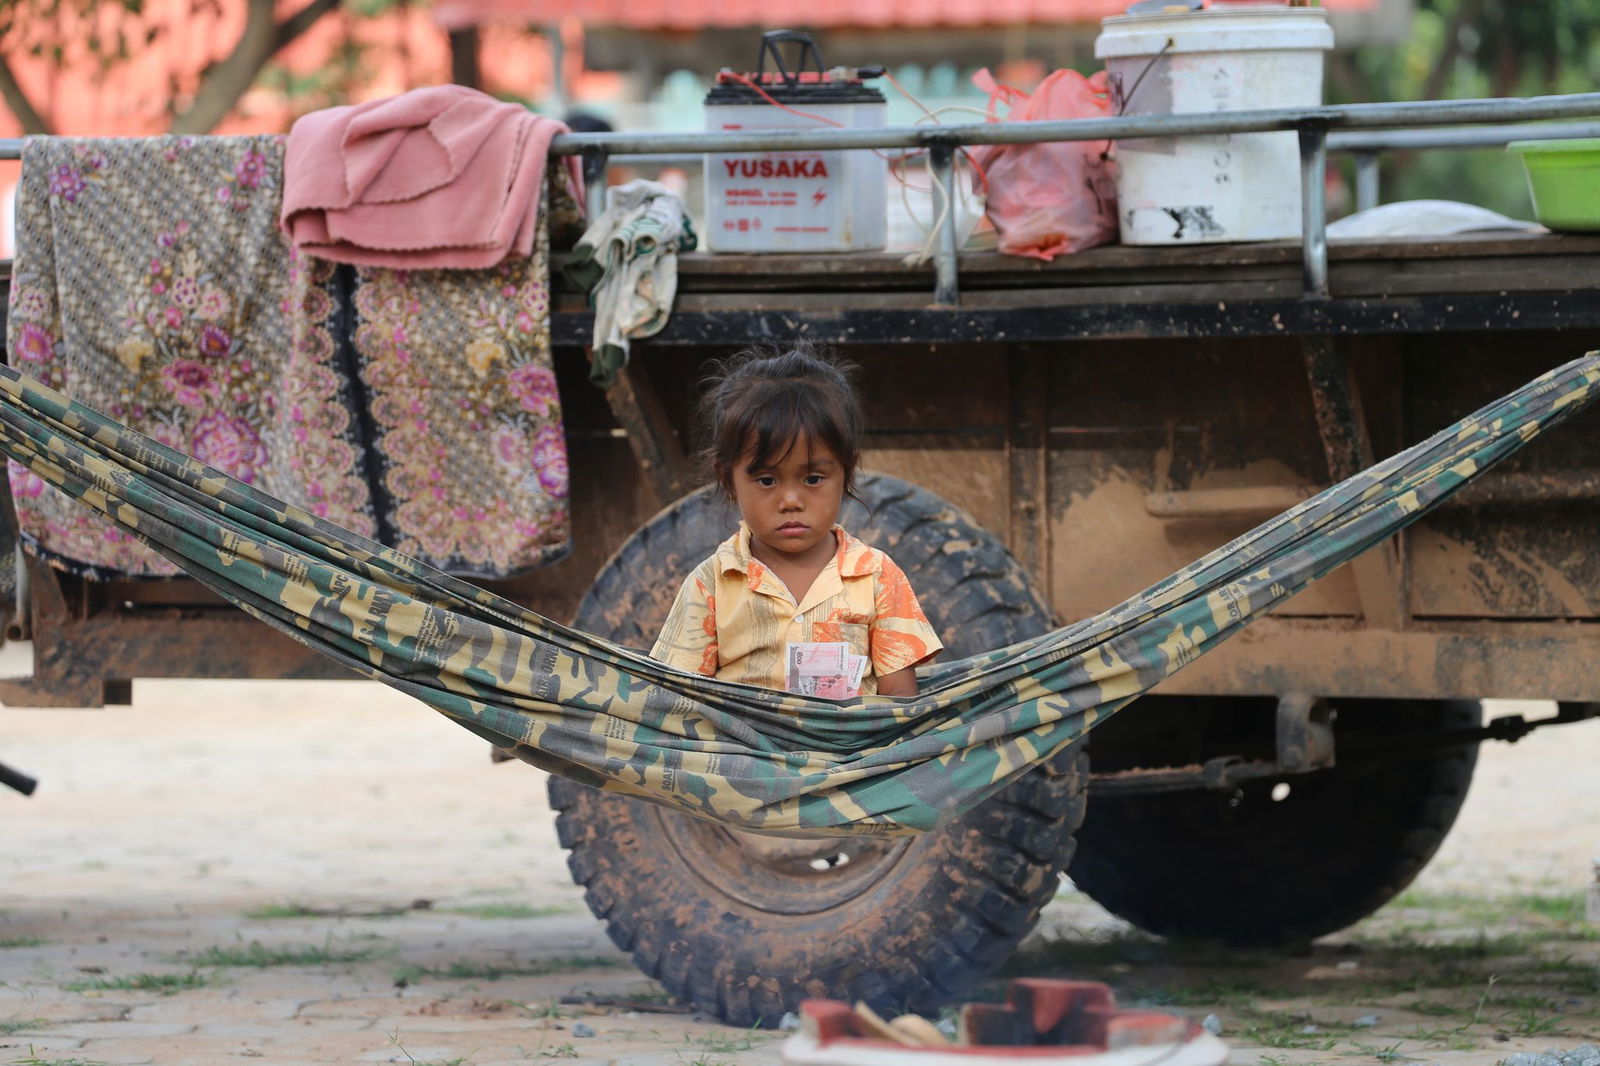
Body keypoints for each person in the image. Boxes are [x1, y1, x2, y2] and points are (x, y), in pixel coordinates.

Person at [651, 345, 943, 698]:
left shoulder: (877, 577)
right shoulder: (711, 584)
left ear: (847, 472)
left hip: (851, 737)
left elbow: (899, 702)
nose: (790, 501)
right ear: (727, 480)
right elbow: (679, 697)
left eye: (813, 478)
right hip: (742, 736)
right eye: (767, 480)